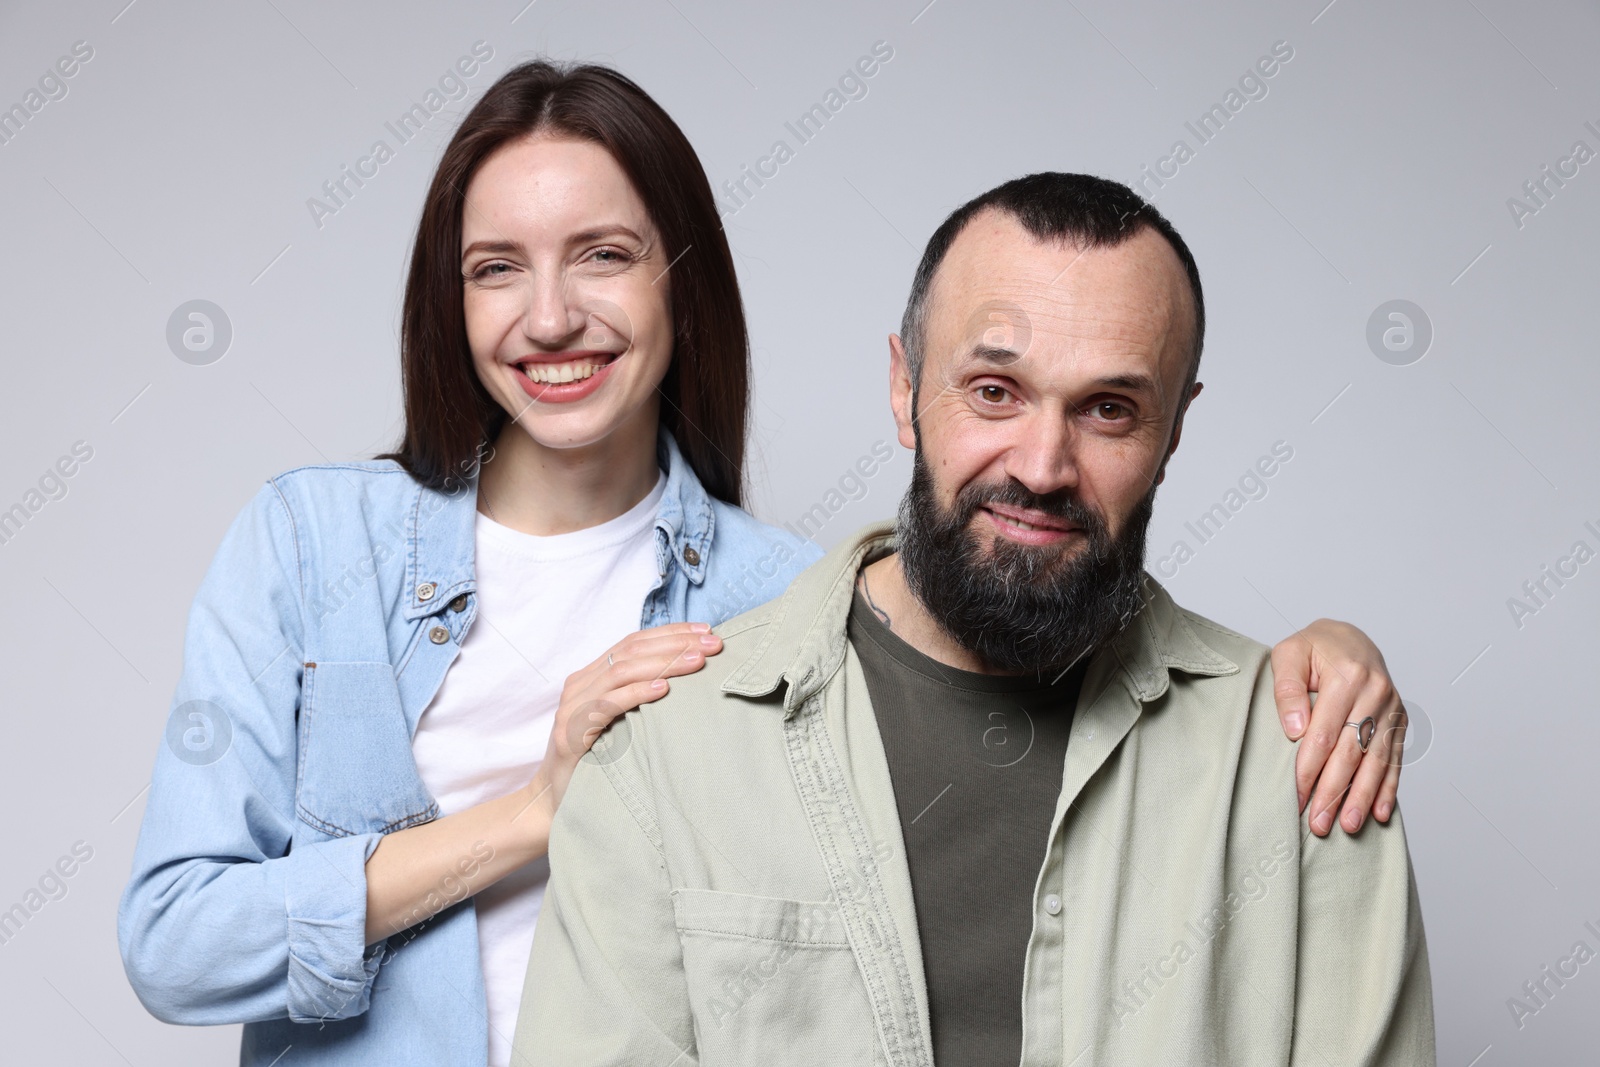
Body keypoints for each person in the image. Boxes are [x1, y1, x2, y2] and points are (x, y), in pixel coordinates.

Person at [117, 61, 1410, 1067]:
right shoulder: (313, 544)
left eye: (605, 255)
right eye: (496, 267)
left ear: (684, 283)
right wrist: (533, 811)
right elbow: (174, 942)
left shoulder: (781, 605)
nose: (550, 313)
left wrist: (1312, 656)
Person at [512, 172, 1433, 1065]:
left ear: (1175, 431)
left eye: (1109, 410)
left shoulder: (1305, 759)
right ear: (904, 386)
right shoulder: (666, 753)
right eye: (994, 390)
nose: (1041, 464)